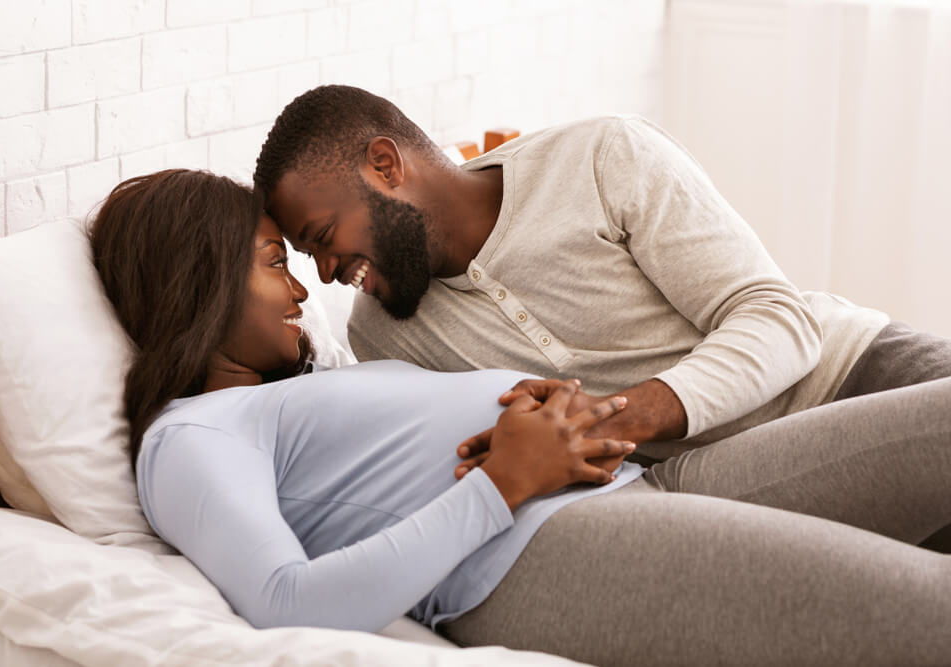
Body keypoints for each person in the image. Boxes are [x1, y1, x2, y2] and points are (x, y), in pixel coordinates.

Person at [90, 169, 951, 667]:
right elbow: (285, 604)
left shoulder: (288, 391)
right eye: (274, 261)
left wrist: (554, 413)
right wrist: (504, 482)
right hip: (539, 554)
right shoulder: (191, 437)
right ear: (198, 281)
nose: (300, 288)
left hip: (632, 480)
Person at [251, 84, 951, 465]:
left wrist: (616, 415)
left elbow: (777, 317)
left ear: (385, 165)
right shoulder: (383, 336)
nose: (328, 273)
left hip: (848, 373)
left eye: (321, 238)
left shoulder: (601, 158)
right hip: (736, 481)